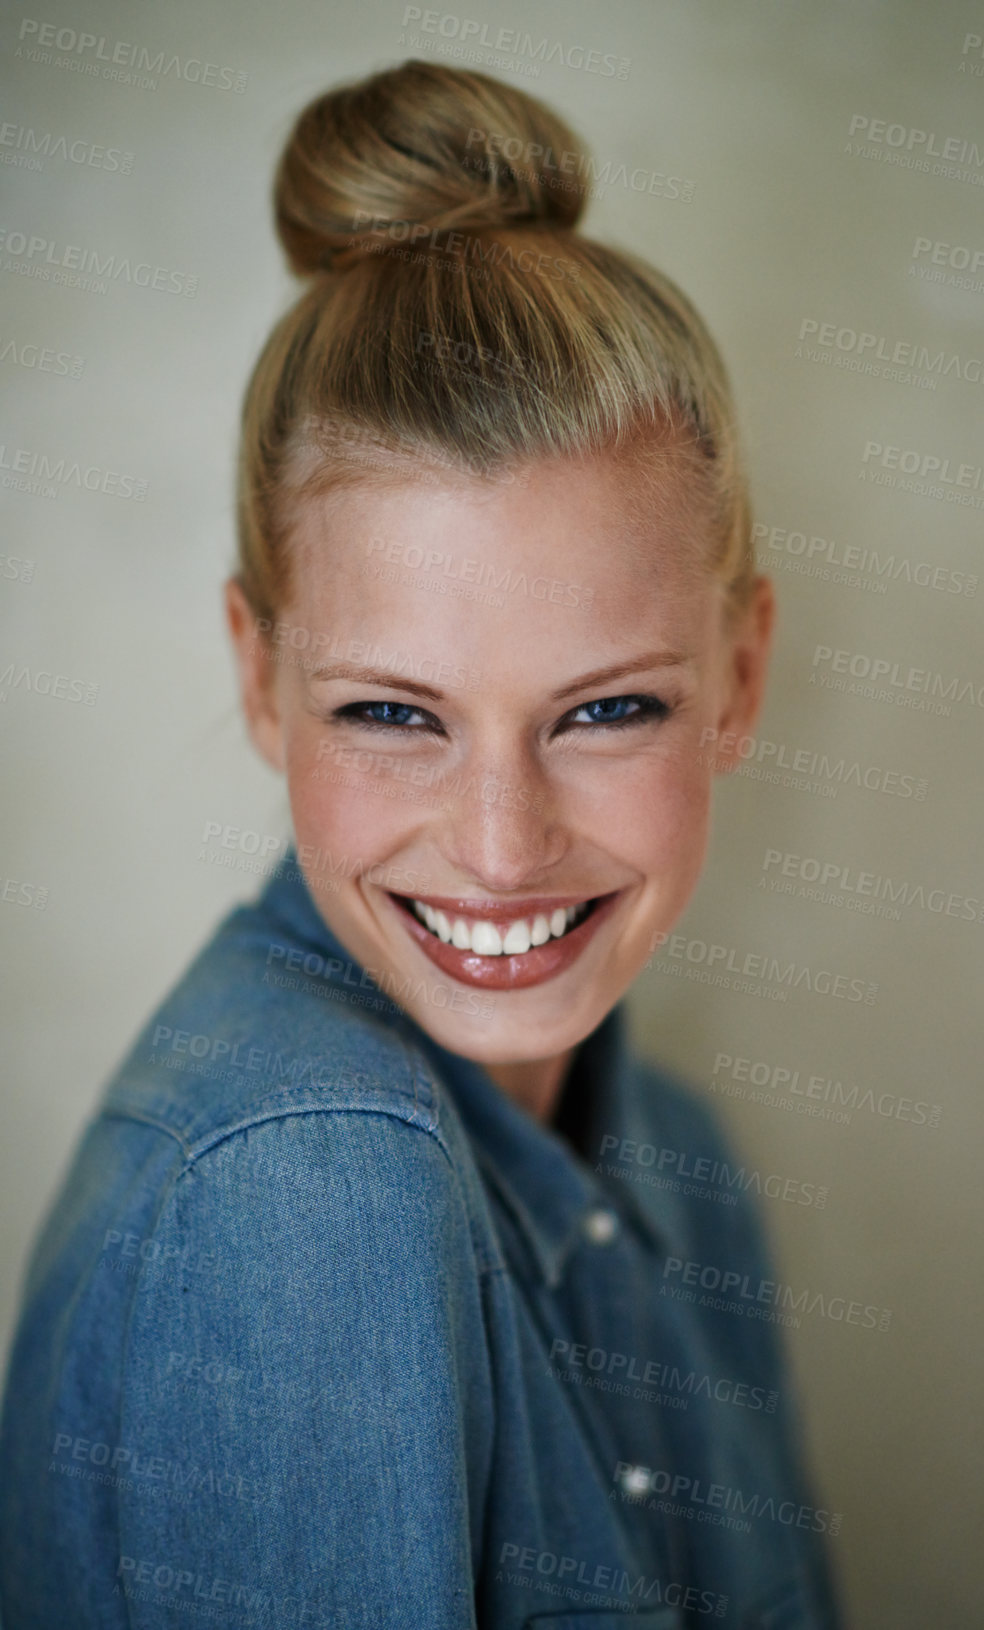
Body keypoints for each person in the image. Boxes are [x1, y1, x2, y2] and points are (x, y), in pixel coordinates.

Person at [0, 60, 843, 1628]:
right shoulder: (312, 1184)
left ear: (739, 672)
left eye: (604, 712)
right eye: (395, 713)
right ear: (259, 675)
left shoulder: (685, 1166)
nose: (502, 844)